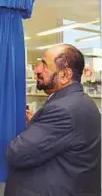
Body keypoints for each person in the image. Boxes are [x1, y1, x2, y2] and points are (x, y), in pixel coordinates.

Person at [5, 44, 101, 196]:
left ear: (65, 75)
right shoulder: (82, 102)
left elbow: (17, 153)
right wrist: (37, 123)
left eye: (44, 65)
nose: (37, 69)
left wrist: (32, 128)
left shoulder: (62, 110)